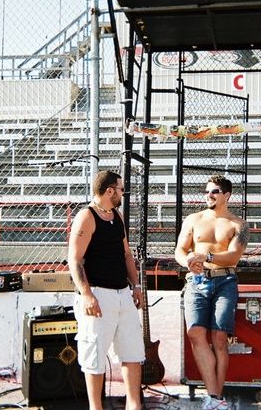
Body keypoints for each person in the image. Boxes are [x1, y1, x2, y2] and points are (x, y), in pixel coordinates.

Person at [67, 170, 145, 410]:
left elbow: (126, 254)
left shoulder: (117, 215)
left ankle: (134, 405)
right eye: (121, 189)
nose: (123, 193)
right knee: (94, 356)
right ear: (110, 191)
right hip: (98, 295)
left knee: (133, 353)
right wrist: (87, 294)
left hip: (123, 294)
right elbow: (75, 260)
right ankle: (96, 407)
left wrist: (136, 285)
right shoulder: (86, 216)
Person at [175, 175, 249, 410]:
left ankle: (216, 397)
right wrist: (188, 262)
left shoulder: (239, 224)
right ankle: (214, 397)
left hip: (225, 281)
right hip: (196, 281)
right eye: (207, 191)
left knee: (219, 338)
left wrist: (206, 256)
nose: (209, 195)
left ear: (227, 195)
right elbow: (180, 249)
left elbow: (234, 256)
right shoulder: (193, 219)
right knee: (195, 333)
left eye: (215, 191)